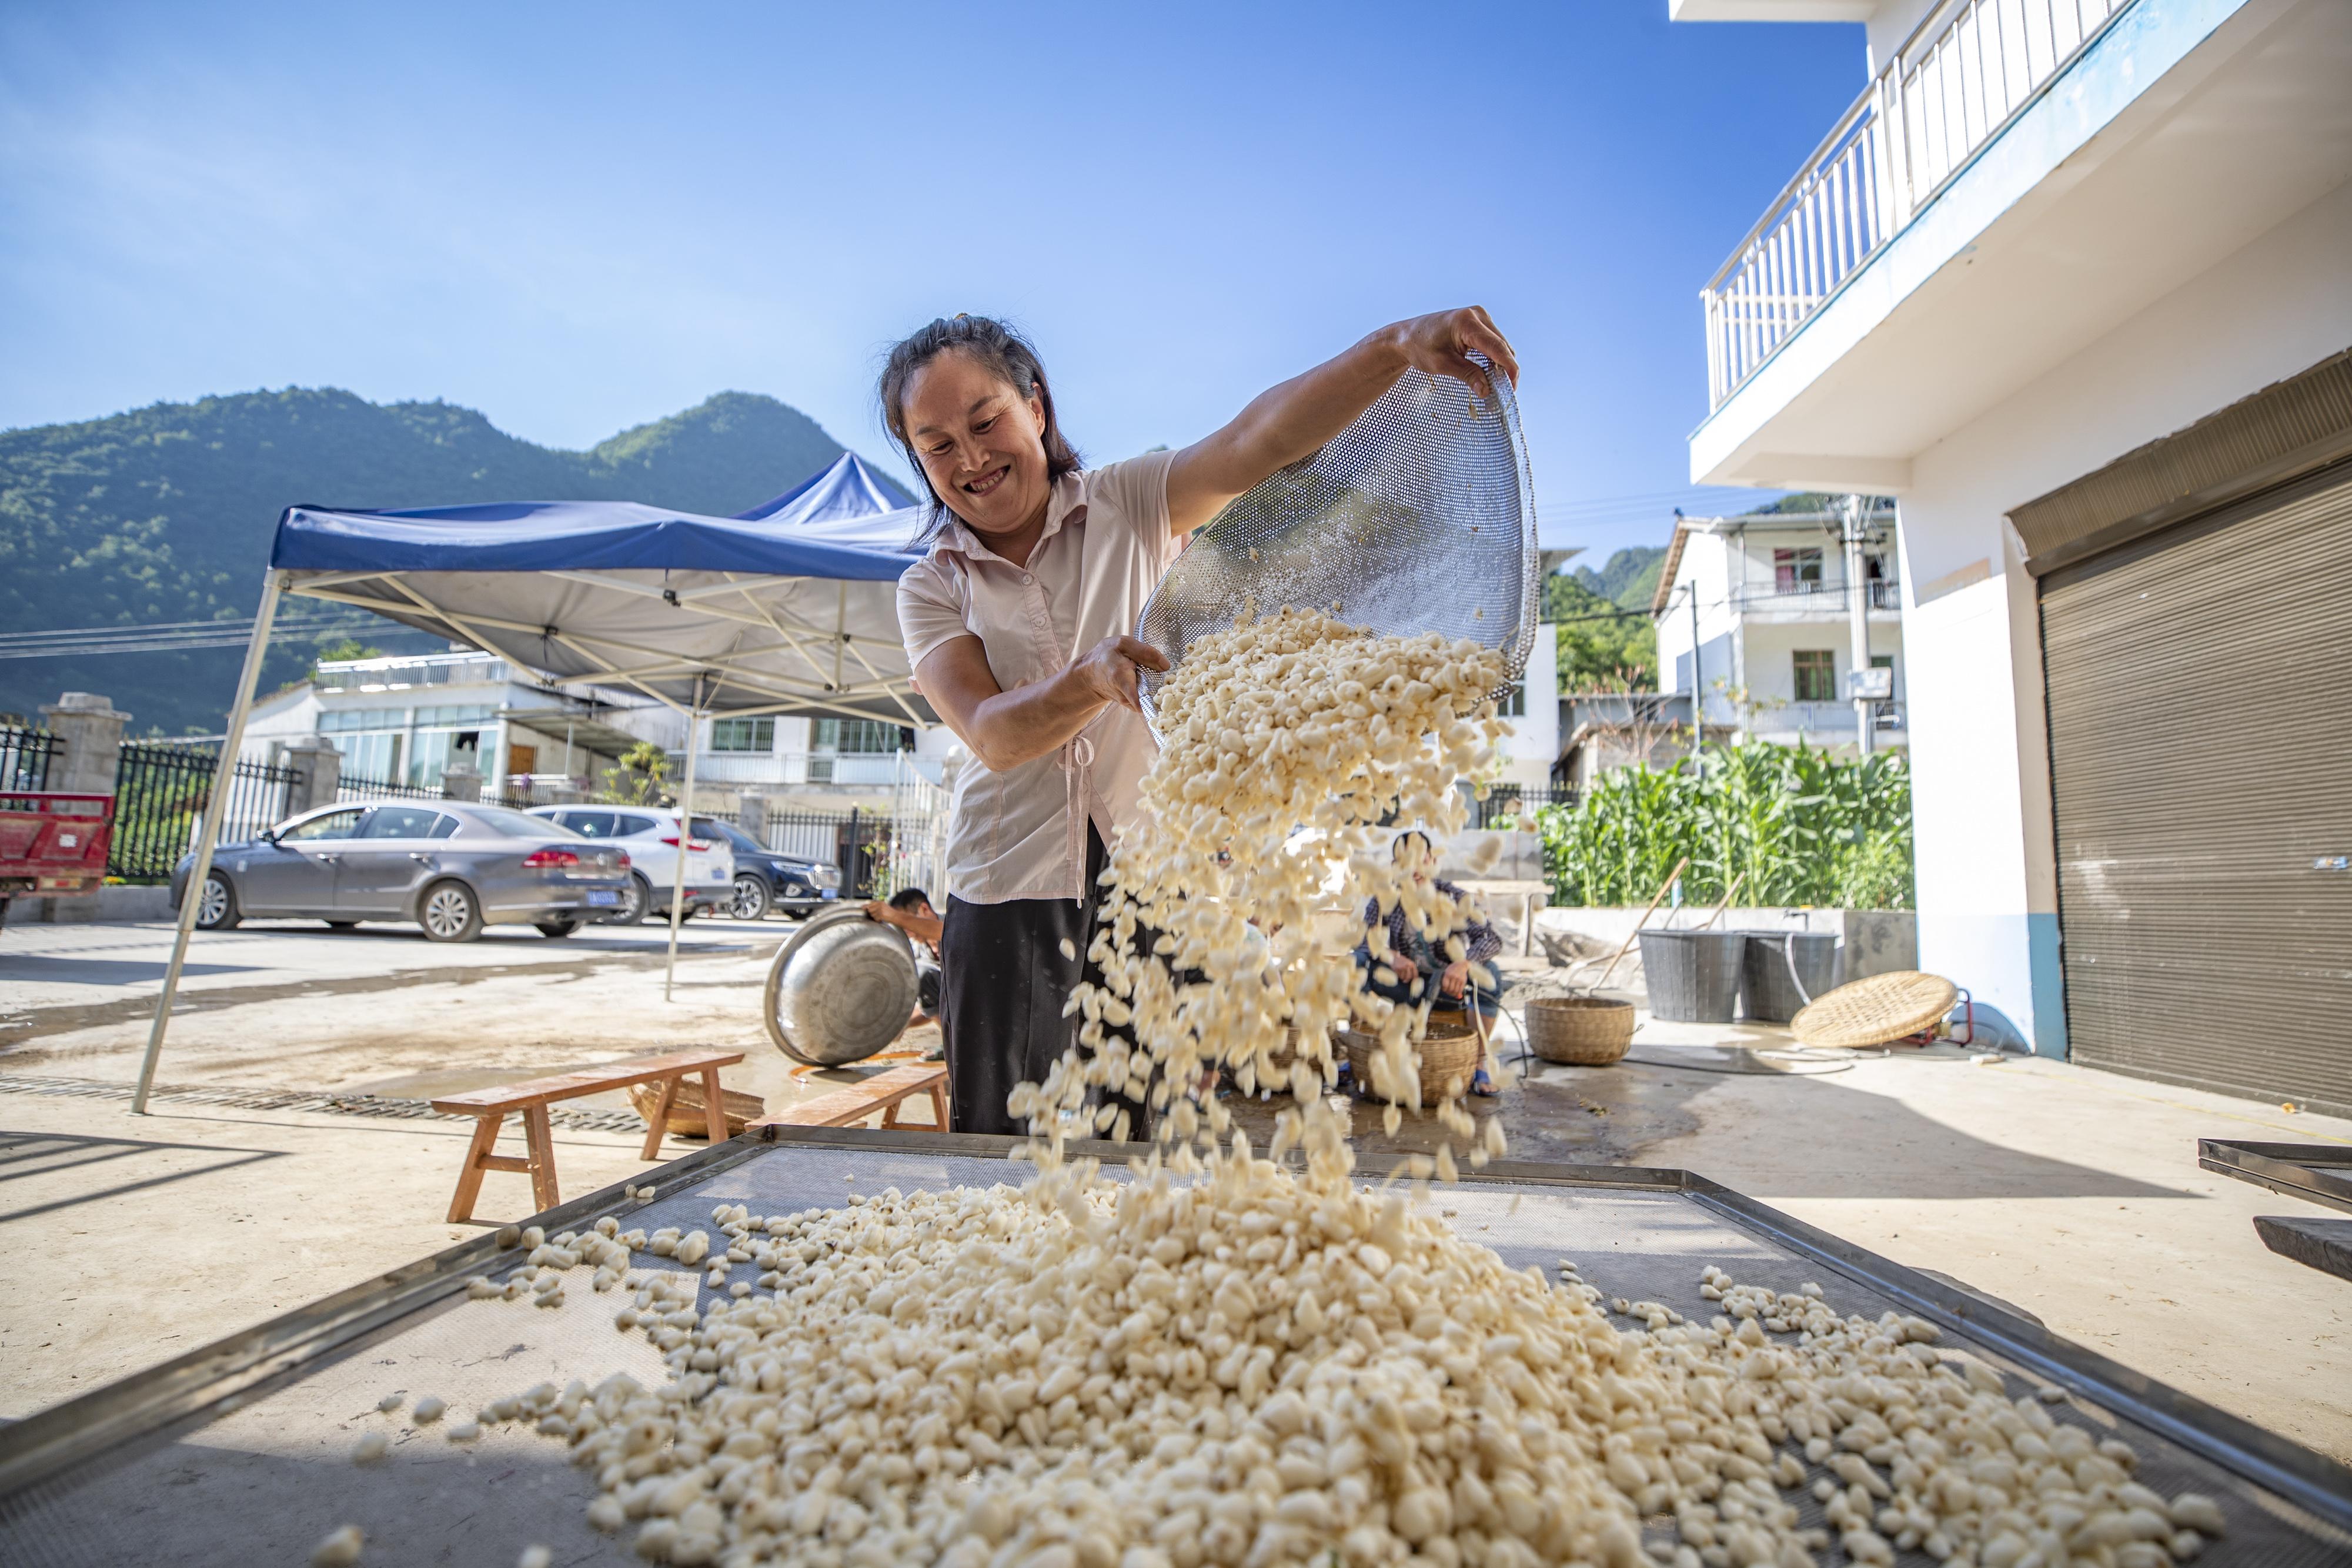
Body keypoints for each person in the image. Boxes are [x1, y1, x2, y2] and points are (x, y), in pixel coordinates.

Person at [890, 309, 1519, 1136]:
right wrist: (1088, 679)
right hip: (1006, 888)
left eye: (986, 420)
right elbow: (992, 733)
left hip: (1153, 877)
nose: (970, 457)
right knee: (1001, 1143)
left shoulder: (1130, 501)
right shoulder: (932, 587)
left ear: (1035, 407)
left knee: (1138, 1133)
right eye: (937, 444)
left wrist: (1390, 349)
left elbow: (1259, 439)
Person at [1354, 830, 1507, 1095]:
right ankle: (1354, 1054)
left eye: (1420, 860)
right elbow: (1366, 943)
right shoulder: (1385, 899)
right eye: (1405, 861)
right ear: (1395, 867)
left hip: (1448, 987)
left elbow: (1491, 938)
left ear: (1432, 862)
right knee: (1355, 964)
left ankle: (1479, 1063)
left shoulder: (1452, 896)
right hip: (1407, 987)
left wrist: (1464, 964)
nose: (1413, 868)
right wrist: (1392, 957)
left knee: (1491, 973)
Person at [863, 887, 942, 1034]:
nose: (906, 930)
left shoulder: (951, 925)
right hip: (960, 1014)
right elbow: (931, 1006)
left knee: (922, 973)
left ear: (924, 909)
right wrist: (895, 1026)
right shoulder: (918, 950)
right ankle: (952, 1043)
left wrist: (893, 916)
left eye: (907, 922)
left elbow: (944, 932)